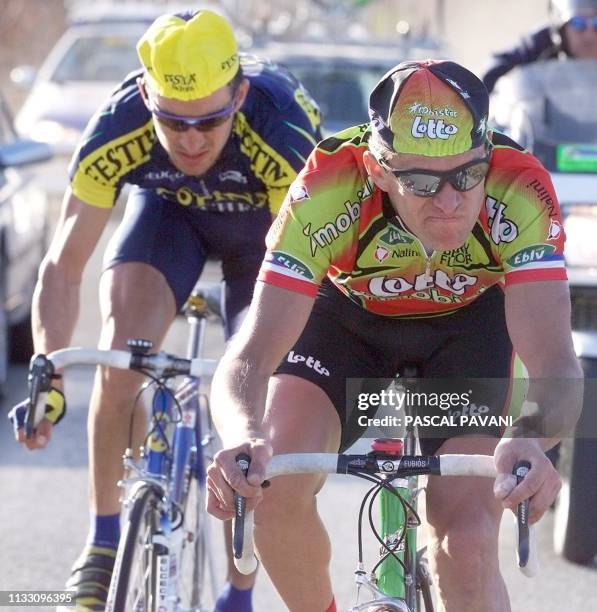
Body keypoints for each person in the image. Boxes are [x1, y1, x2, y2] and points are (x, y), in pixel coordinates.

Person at [205, 59, 583, 612]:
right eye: (422, 182)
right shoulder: (330, 183)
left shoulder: (519, 184)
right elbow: (251, 354)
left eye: (467, 175)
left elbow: (556, 361)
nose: (450, 200)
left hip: (466, 331)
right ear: (378, 170)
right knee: (275, 490)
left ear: (486, 156)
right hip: (345, 323)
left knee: (470, 544)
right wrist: (241, 433)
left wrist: (532, 434)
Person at [10, 9, 322, 612]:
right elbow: (62, 266)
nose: (192, 139)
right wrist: (46, 369)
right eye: (172, 122)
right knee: (120, 352)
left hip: (265, 238)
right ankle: (102, 541)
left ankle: (240, 584)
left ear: (240, 95)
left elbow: (308, 274)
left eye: (209, 120)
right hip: (168, 219)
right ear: (146, 99)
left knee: (259, 391)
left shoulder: (280, 130)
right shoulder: (117, 123)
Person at [482, 0, 597, 93]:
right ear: (561, 28)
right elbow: (497, 64)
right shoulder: (542, 43)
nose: (589, 34)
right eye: (577, 22)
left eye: (596, 23)